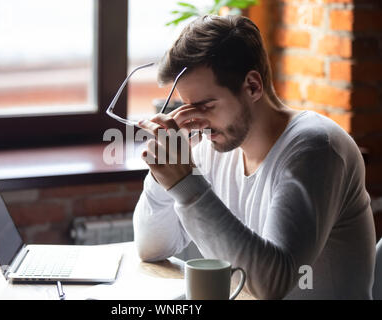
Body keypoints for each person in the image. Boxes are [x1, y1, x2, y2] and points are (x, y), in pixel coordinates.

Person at [133, 14, 376, 299]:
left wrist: (187, 186)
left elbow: (271, 285)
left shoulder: (316, 149)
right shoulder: (217, 146)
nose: (194, 120)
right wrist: (162, 173)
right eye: (185, 106)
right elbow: (152, 248)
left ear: (252, 86)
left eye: (205, 105)